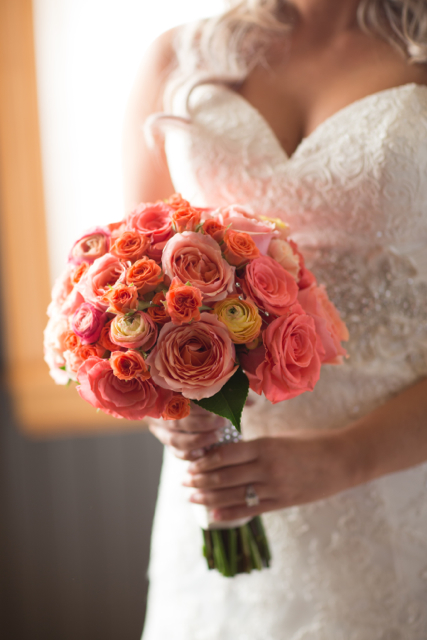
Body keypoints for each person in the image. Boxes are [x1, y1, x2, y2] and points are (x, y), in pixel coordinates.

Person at [123, 1, 427, 638]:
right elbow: (130, 284)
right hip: (222, 489)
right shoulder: (180, 57)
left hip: (399, 476)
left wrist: (348, 458)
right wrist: (167, 406)